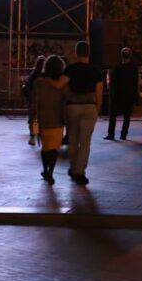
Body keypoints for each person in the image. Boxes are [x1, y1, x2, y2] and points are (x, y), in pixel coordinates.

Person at [57, 41, 103, 183]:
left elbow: (60, 85)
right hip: (89, 107)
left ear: (76, 53)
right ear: (88, 53)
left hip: (72, 107)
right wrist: (97, 109)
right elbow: (99, 93)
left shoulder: (70, 69)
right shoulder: (96, 71)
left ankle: (72, 168)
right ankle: (80, 171)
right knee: (85, 142)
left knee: (72, 140)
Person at [31, 56, 68, 184]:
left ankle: (45, 169)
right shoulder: (62, 83)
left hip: (43, 119)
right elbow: (65, 101)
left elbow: (34, 102)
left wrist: (34, 120)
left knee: (45, 147)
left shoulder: (39, 82)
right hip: (58, 119)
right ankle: (50, 172)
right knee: (54, 148)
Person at [106, 47, 139, 141]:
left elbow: (113, 82)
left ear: (121, 56)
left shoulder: (117, 67)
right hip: (129, 95)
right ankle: (123, 134)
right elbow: (135, 82)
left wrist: (112, 94)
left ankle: (111, 134)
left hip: (117, 95)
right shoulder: (134, 67)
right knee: (127, 116)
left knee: (113, 116)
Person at [22, 56, 46, 145]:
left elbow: (28, 88)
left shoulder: (33, 75)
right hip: (45, 101)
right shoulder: (47, 76)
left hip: (34, 101)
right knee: (43, 120)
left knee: (35, 120)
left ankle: (33, 136)